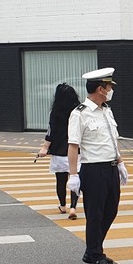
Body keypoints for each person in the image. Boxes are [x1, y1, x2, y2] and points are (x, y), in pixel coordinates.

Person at [66, 67, 128, 264]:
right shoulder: (80, 114)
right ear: (101, 89)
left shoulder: (106, 110)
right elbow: (73, 146)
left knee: (111, 210)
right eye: (109, 86)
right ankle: (96, 254)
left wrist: (120, 162)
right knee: (96, 213)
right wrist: (73, 175)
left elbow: (112, 139)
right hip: (93, 170)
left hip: (110, 167)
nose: (111, 90)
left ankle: (92, 250)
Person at [37, 83, 81, 220]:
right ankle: (73, 207)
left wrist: (45, 147)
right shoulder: (79, 111)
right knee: (75, 178)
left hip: (60, 151)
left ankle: (63, 206)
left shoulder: (55, 112)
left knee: (60, 180)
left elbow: (51, 131)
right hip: (77, 151)